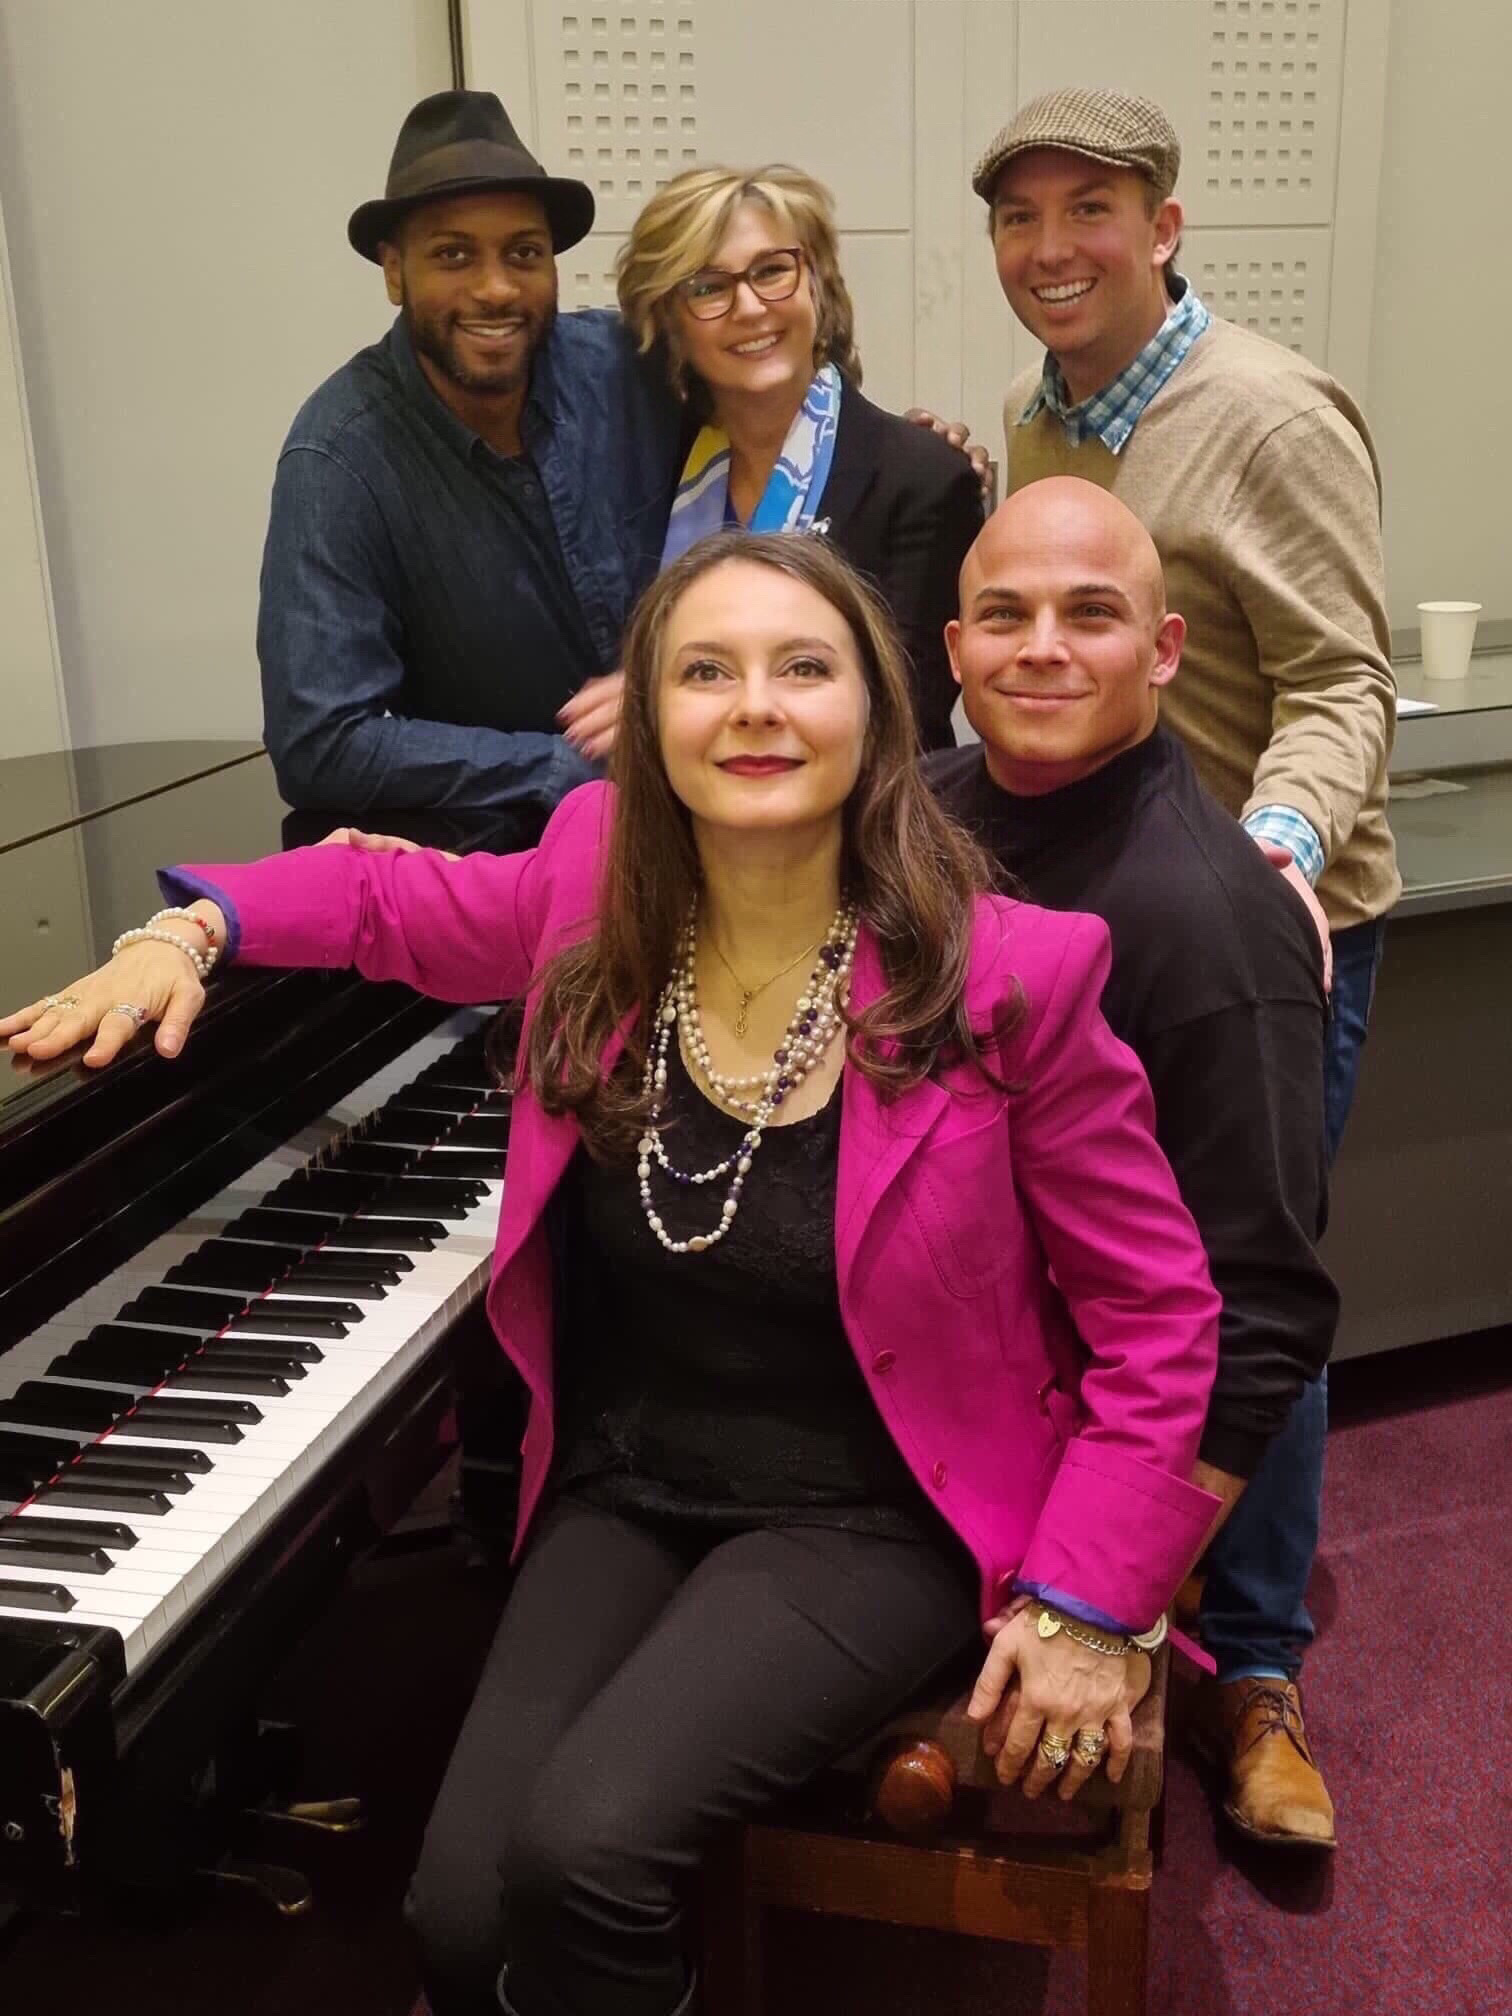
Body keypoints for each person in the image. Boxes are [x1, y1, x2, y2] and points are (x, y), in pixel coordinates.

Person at [6, 532, 1221, 2016]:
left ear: (880, 717)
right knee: (458, 1918)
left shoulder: (1015, 973)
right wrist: (190, 929)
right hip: (632, 1477)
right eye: (706, 671)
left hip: (874, 1506)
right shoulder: (590, 884)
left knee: (586, 1857)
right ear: (648, 720)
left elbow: (1159, 1313)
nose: (755, 707)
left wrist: (1094, 1602)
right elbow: (389, 907)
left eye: (803, 668)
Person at [958, 84, 1400, 1843]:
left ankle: (1261, 1675)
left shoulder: (1268, 413)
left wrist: (1270, 855)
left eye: (1090, 211)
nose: (1050, 249)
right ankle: (1103, 1593)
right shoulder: (1038, 411)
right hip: (1095, 924)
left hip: (1257, 935)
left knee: (1239, 1298)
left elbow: (1343, 681)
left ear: (1164, 225)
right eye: (1019, 219)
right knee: (1113, 1294)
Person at [930, 477, 1340, 1846]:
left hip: (1066, 1445)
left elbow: (1265, 1315)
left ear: (1164, 652)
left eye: (1090, 614)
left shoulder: (1219, 922)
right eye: (1007, 615)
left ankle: (1252, 1677)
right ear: (953, 651)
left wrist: (1104, 1598)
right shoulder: (909, 817)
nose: (1042, 645)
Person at [257, 88, 681, 822]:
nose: (495, 288)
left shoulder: (628, 366)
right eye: (454, 255)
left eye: (524, 253)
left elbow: (780, 433)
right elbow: (321, 742)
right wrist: (570, 770)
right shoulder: (337, 457)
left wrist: (900, 445)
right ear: (395, 272)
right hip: (492, 864)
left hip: (697, 817)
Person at [611, 164, 984, 753]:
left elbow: (901, 720)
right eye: (708, 287)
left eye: (772, 271)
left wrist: (650, 703)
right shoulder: (650, 467)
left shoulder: (923, 478)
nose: (751, 307)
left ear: (818, 283)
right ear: (669, 321)